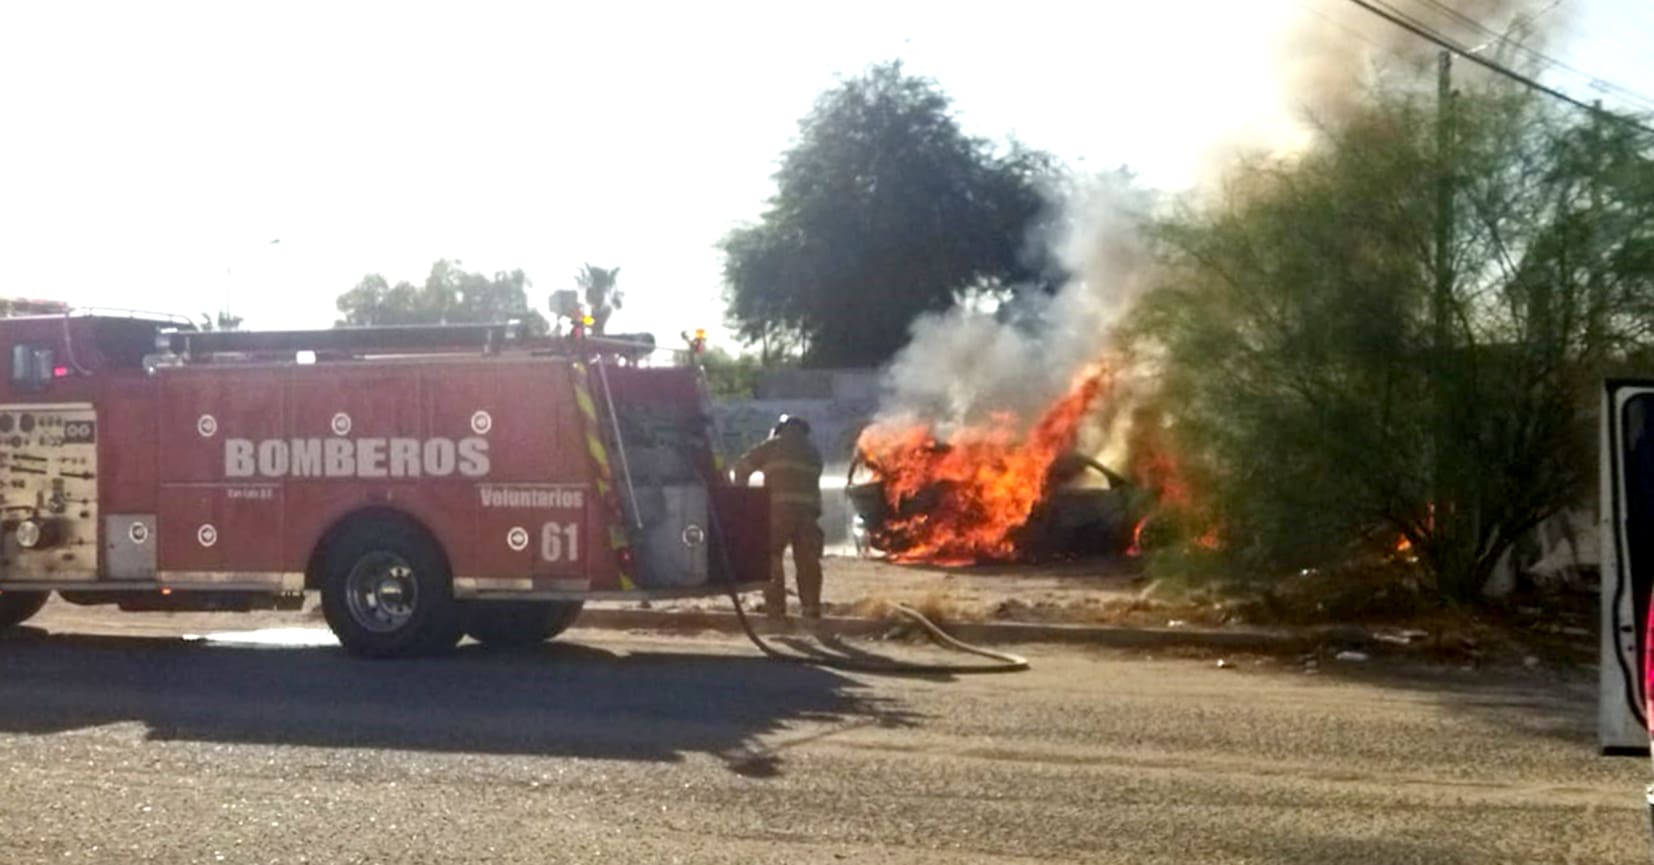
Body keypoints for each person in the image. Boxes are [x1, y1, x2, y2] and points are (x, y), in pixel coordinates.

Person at [731, 414, 825, 620]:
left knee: (772, 558)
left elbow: (741, 467)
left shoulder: (773, 445)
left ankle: (776, 610)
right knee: (808, 562)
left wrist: (741, 499)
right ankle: (811, 610)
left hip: (778, 512)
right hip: (808, 515)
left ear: (780, 429)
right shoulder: (813, 452)